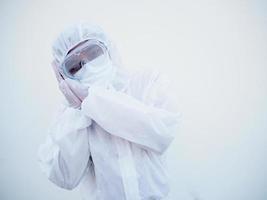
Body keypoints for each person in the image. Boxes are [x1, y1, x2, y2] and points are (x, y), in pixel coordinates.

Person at [37, 22, 182, 200]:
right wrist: (77, 111)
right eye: (74, 66)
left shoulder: (145, 82)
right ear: (65, 75)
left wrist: (92, 99)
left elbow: (161, 133)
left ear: (108, 49)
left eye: (92, 53)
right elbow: (65, 177)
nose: (87, 66)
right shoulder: (68, 115)